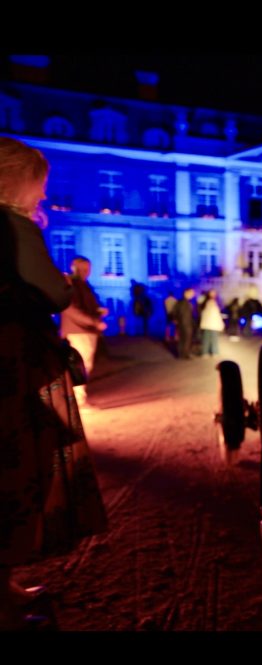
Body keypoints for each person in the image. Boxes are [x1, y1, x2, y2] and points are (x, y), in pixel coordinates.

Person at [0, 136, 107, 629]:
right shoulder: (13, 226)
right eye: (39, 188)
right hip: (13, 362)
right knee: (21, 465)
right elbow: (54, 292)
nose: (42, 198)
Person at [60, 257, 108, 406]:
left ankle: (79, 400)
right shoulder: (70, 283)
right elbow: (70, 309)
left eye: (88, 269)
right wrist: (94, 321)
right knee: (80, 367)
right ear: (75, 268)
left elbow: (83, 306)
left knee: (85, 366)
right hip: (78, 332)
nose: (87, 272)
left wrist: (97, 312)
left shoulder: (83, 284)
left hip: (86, 331)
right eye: (84, 269)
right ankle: (78, 402)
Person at [198, 289, 224, 357]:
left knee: (214, 339)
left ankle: (214, 352)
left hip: (213, 324)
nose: (213, 294)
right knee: (206, 339)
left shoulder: (217, 302)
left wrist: (220, 323)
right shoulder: (205, 302)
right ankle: (205, 352)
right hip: (207, 323)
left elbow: (217, 314)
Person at [172, 288, 196, 359]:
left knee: (183, 339)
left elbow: (175, 312)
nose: (192, 295)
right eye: (191, 293)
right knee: (186, 339)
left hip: (183, 323)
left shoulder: (181, 302)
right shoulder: (184, 303)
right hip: (186, 323)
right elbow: (178, 312)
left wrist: (175, 319)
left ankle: (181, 354)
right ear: (186, 293)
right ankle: (184, 354)